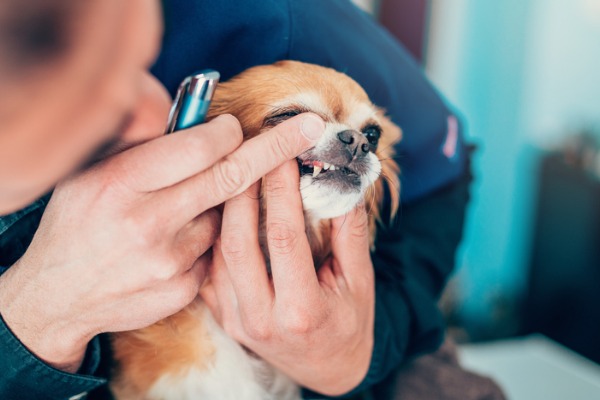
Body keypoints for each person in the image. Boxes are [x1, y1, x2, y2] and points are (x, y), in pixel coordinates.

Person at [0, 0, 478, 399]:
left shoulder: (290, 30)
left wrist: (366, 346)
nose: (154, 118)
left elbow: (440, 173)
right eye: (96, 127)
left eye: (139, 64)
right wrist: (33, 320)